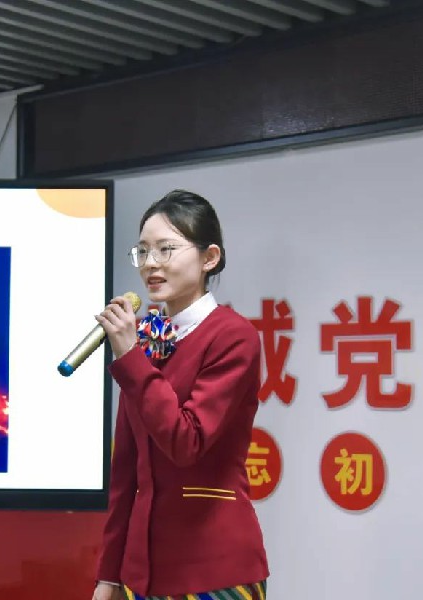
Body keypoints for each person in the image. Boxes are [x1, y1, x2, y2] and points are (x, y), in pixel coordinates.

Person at [92, 190, 269, 600]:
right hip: (142, 573)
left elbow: (186, 442)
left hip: (214, 567)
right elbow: (126, 469)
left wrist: (131, 357)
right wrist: (110, 574)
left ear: (209, 258)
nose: (150, 263)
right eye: (143, 251)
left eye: (166, 249)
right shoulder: (147, 339)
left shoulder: (233, 336)